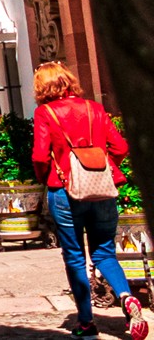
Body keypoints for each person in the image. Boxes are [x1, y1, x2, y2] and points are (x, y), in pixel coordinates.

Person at [31, 61, 145, 339]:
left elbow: (40, 155)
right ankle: (126, 296)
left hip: (65, 190)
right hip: (102, 189)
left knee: (74, 257)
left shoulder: (45, 112)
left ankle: (86, 324)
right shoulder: (94, 108)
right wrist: (101, 167)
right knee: (104, 251)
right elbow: (120, 146)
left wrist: (47, 178)